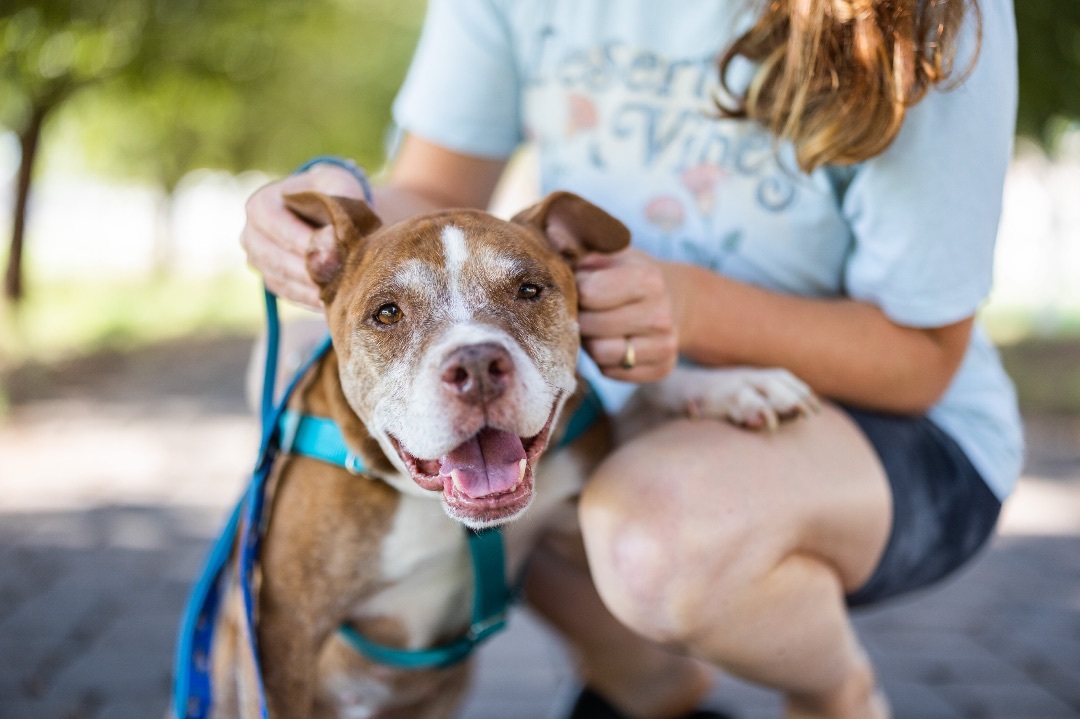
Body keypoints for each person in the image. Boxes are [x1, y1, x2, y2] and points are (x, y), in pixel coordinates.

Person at [240, 1, 1023, 717]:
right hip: (629, 393)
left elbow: (924, 358)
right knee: (309, 385)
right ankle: (651, 688)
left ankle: (835, 692)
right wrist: (327, 207)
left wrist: (686, 308)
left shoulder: (934, 16)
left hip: (894, 425)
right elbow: (435, 192)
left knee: (655, 536)